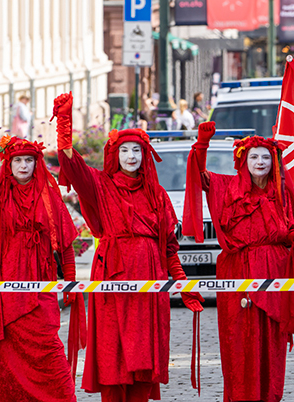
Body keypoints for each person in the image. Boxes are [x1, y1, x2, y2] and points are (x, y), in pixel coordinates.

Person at [52, 92, 203, 401]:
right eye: (125, 149)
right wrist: (65, 124)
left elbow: (169, 248)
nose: (131, 155)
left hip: (150, 279)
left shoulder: (157, 195)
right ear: (115, 154)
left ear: (144, 155)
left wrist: (183, 283)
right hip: (113, 277)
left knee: (145, 353)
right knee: (113, 352)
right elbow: (72, 163)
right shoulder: (100, 185)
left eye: (137, 149)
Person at [183, 121, 294, 402]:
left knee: (271, 340)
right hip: (237, 269)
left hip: (274, 269)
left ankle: (269, 396)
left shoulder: (282, 192)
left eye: (266, 156)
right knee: (239, 339)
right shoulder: (226, 186)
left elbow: (285, 229)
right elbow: (200, 175)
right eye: (254, 156)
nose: (260, 161)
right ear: (243, 160)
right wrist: (202, 145)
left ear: (273, 161)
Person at [0, 128, 84, 401]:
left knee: (50, 352)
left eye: (28, 160)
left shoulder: (50, 196)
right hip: (0, 287)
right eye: (17, 161)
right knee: (5, 360)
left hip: (39, 285)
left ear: (37, 163)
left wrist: (70, 280)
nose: (23, 166)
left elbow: (66, 244)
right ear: (8, 164)